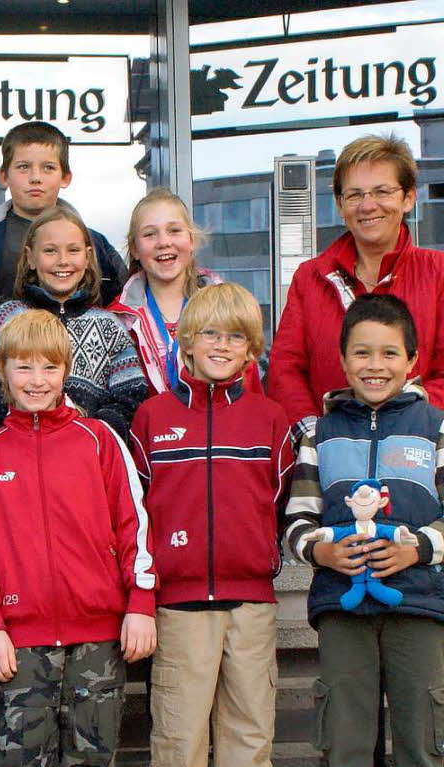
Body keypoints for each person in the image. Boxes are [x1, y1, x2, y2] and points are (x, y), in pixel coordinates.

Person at [0, 309, 157, 766]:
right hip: (19, 640)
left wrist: (140, 605)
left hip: (100, 635)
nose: (36, 380)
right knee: (24, 757)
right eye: (23, 366)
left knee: (94, 756)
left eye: (49, 366)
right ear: (2, 371)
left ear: (67, 371)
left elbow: (134, 526)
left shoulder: (100, 439)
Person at [129, 283, 294, 767]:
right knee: (179, 741)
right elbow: (137, 510)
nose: (222, 345)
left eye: (235, 336)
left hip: (251, 606)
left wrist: (259, 551)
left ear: (251, 349)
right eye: (210, 333)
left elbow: (280, 501)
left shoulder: (269, 419)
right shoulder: (152, 417)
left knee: (250, 734)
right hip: (179, 607)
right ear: (186, 340)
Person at [284, 293, 444, 767]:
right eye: (362, 352)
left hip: (419, 604)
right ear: (342, 360)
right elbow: (297, 521)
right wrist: (321, 553)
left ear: (412, 360)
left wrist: (417, 548)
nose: (376, 365)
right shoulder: (320, 434)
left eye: (390, 353)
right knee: (346, 742)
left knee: (423, 739)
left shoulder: (435, 429)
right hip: (341, 608)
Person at [268, 134, 444, 438]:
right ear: (339, 204)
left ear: (408, 198)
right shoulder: (310, 278)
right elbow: (286, 371)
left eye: (382, 191)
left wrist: (414, 424)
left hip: (418, 454)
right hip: (330, 459)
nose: (368, 205)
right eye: (354, 195)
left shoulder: (439, 272)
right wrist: (315, 435)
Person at [0, 201, 147, 438]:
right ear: (31, 258)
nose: (62, 260)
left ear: (87, 257)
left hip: (87, 457)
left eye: (73, 250)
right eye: (50, 251)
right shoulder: (9, 317)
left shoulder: (109, 325)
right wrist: (35, 433)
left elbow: (131, 397)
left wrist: (82, 435)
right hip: (21, 451)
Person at [111, 188, 262, 397]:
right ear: (134, 249)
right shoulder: (119, 320)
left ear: (192, 240)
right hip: (148, 428)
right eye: (150, 234)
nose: (164, 242)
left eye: (174, 230)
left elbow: (249, 387)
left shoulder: (228, 309)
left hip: (219, 428)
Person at [0, 121, 127, 306]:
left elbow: (127, 302)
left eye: (48, 168)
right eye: (23, 167)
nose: (35, 178)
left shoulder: (95, 243)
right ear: (4, 176)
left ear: (65, 177)